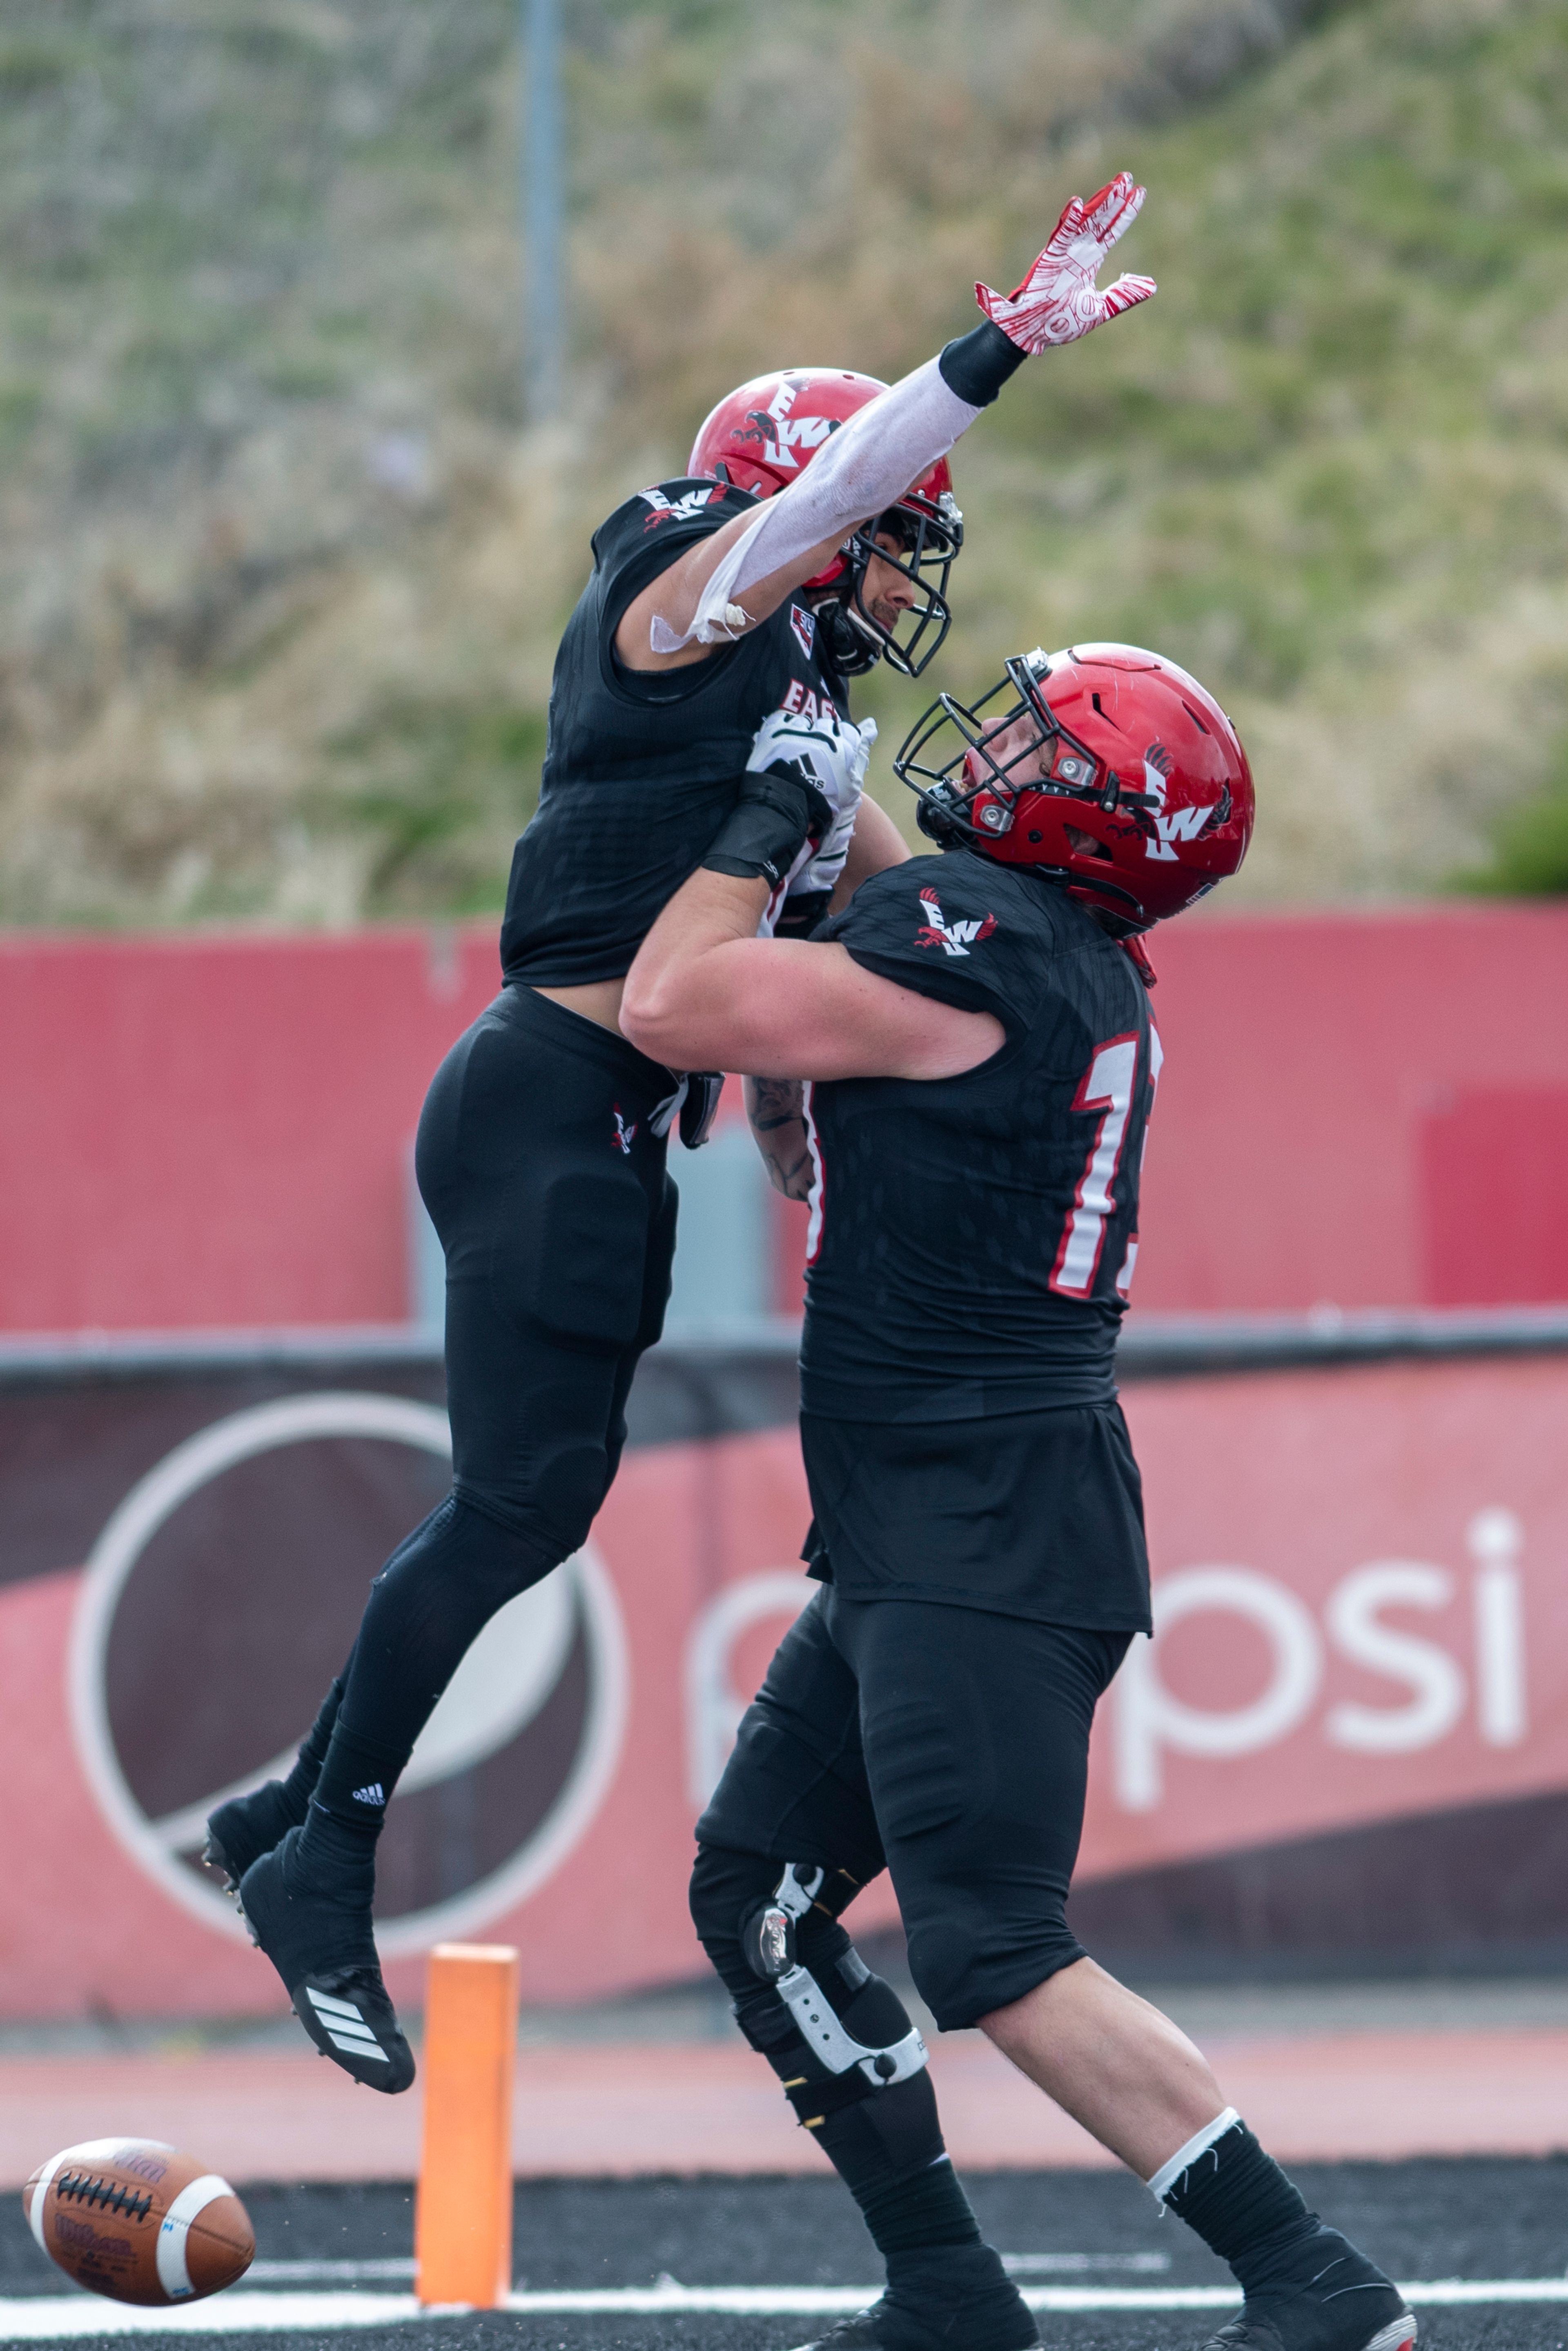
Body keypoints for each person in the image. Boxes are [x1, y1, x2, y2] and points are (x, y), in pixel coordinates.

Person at [205, 179, 1160, 2092]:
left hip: (617, 1115)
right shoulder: (686, 596)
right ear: (816, 518)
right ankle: (323, 1856)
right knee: (517, 1505)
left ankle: (283, 1818)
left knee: (536, 1500)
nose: (908, 579)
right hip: (554, 1094)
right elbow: (813, 518)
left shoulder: (800, 705)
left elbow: (891, 910)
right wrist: (991, 356)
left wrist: (830, 1094)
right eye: (901, 539)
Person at [619, 643, 1413, 2351]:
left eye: (1037, 742)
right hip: (954, 1507)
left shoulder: (974, 955)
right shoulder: (1050, 954)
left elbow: (672, 1000)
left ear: (1081, 815)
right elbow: (834, 1031)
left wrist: (774, 808)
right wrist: (834, 798)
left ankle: (1311, 2278)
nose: (991, 749)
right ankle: (948, 2284)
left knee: (993, 1948)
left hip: (982, 1517)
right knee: (754, 1896)